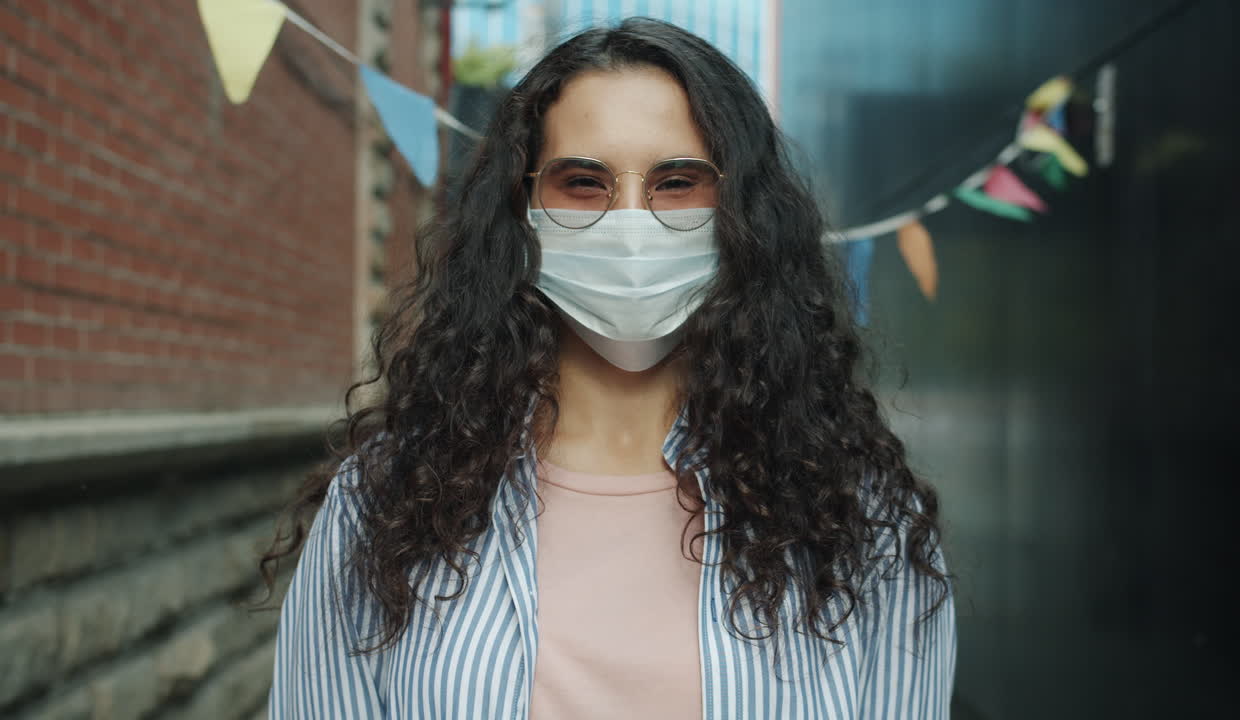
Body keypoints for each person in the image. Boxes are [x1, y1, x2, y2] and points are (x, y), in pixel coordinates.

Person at [262, 16, 955, 720]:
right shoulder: (386, 502)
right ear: (521, 210)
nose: (631, 224)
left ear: (743, 213)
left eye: (678, 182)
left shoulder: (861, 519)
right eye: (583, 182)